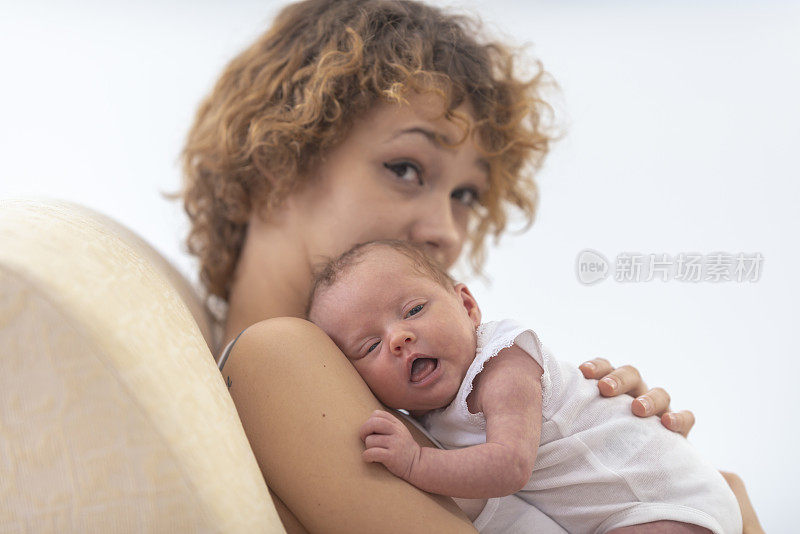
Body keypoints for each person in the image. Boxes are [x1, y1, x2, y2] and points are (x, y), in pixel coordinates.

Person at [180, 0, 762, 532]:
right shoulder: (276, 360)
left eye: (466, 197)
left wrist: (633, 470)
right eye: (406, 168)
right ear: (276, 161)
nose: (447, 232)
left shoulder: (428, 401)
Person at [307, 240, 742, 533]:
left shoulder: (502, 363)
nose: (398, 338)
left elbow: (508, 466)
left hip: (661, 501)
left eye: (414, 309)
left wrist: (415, 461)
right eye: (369, 346)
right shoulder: (425, 410)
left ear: (467, 306)